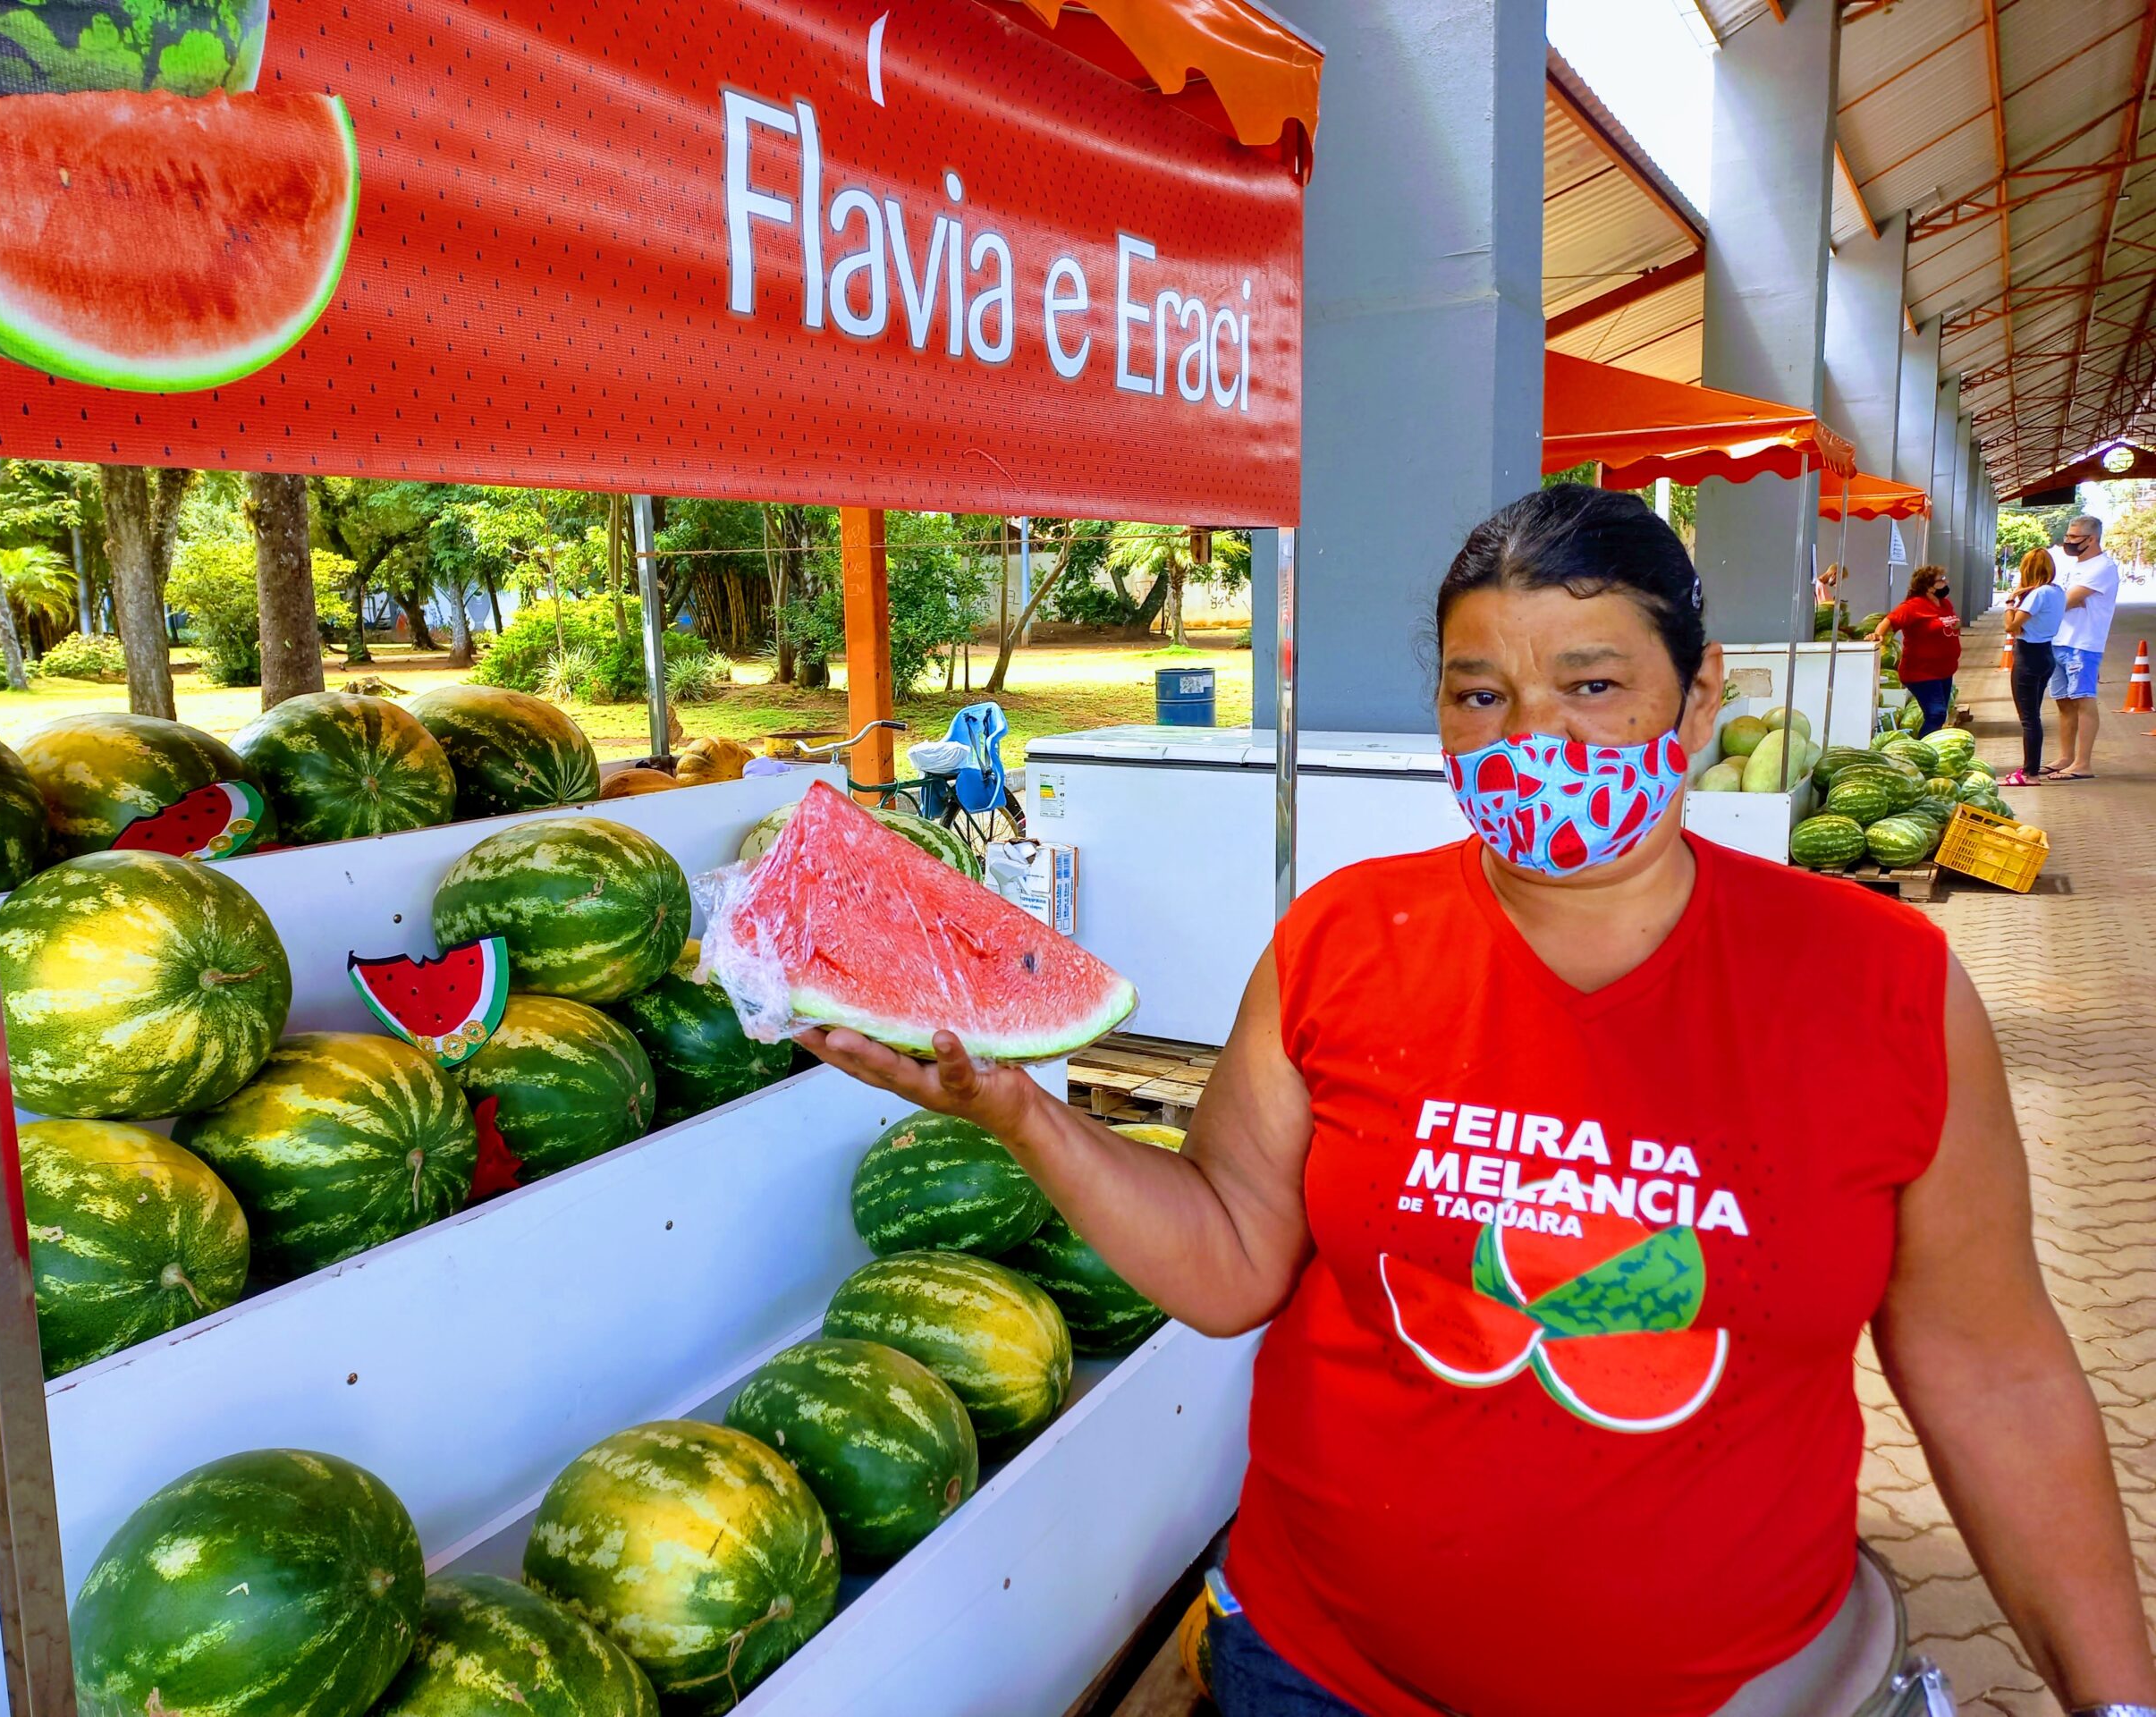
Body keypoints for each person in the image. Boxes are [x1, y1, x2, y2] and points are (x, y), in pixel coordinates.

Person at [805, 486, 2156, 1717]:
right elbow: (1227, 1259)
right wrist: (1028, 1117)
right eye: (1480, 695)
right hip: (1320, 1671)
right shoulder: (1342, 940)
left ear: (1698, 702)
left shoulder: (1883, 986)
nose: (1533, 741)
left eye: (1592, 685)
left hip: (1730, 1693)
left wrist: (2115, 1703)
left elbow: (1996, 1375)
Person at [2047, 513, 2121, 781]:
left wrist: (2059, 602)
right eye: (2067, 535)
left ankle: (2083, 763)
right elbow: (2060, 599)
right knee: (2064, 703)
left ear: (2091, 539)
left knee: (2083, 700)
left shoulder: (2102, 568)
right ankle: (2065, 757)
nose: (2068, 541)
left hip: (2083, 644)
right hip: (2059, 640)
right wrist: (2060, 601)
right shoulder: (2072, 566)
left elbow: (2064, 601)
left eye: (2074, 537)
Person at [1868, 565, 1962, 732]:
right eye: (1941, 580)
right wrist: (1878, 635)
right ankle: (1924, 745)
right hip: (1922, 672)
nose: (1946, 583)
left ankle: (1930, 742)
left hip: (1944, 671)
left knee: (1939, 715)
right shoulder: (1912, 606)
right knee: (1936, 714)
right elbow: (1889, 620)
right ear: (1928, 586)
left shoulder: (1945, 603)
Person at [2003, 547, 2064, 786]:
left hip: (2028, 657)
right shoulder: (2057, 591)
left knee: (2029, 719)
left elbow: (2012, 627)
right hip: (2046, 654)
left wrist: (2010, 604)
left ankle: (2030, 774)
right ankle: (2030, 767)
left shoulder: (2038, 594)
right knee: (2033, 716)